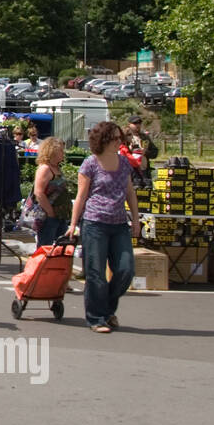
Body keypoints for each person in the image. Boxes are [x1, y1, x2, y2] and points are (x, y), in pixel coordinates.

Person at [67, 121, 140, 333]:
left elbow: (130, 193)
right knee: (95, 273)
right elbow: (81, 196)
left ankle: (107, 308)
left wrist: (135, 219)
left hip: (119, 224)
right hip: (94, 222)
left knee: (126, 269)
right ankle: (97, 317)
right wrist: (73, 224)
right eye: (116, 139)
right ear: (104, 140)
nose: (120, 142)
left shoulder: (124, 163)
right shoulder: (90, 163)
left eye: (121, 139)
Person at [29, 136, 70, 247]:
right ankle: (42, 265)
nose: (63, 153)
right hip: (48, 216)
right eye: (61, 150)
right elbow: (39, 193)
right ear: (52, 151)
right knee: (45, 247)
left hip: (59, 214)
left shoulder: (56, 167)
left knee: (62, 246)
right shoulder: (45, 168)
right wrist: (50, 212)